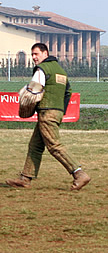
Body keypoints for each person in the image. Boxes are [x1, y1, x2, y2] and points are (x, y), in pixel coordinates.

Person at [6, 43, 91, 191]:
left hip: (46, 111)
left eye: (36, 54)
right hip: (56, 112)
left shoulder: (42, 69)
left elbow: (33, 92)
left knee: (54, 146)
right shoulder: (61, 71)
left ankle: (79, 173)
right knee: (35, 145)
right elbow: (68, 92)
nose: (33, 57)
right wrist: (60, 110)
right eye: (32, 54)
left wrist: (26, 106)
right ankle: (25, 178)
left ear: (45, 53)